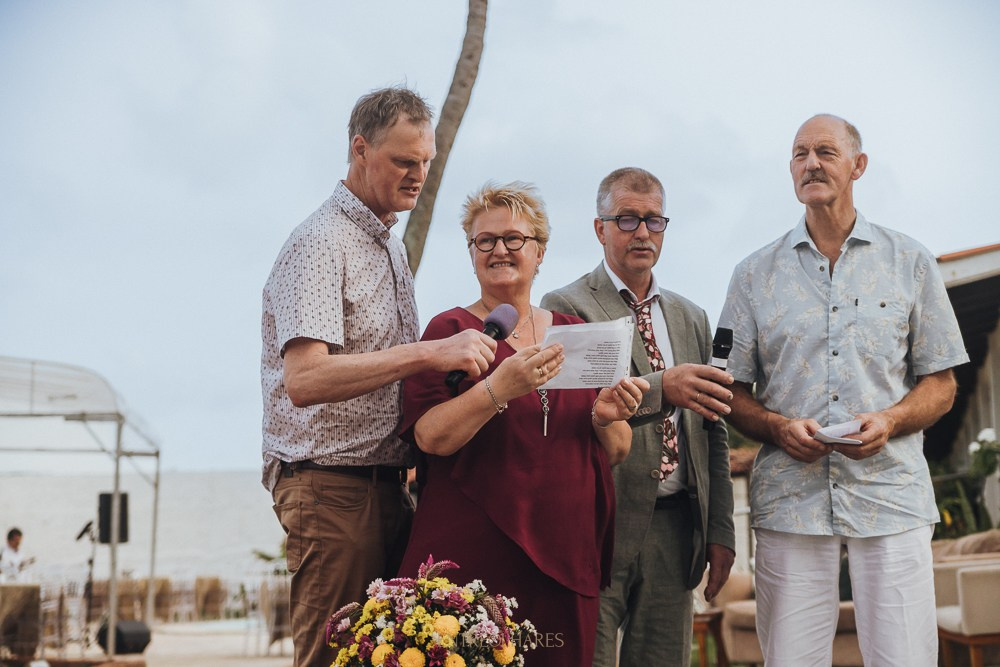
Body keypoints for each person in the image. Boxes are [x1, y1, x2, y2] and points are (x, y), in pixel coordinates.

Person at [719, 114, 969, 666]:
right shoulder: (752, 275)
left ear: (858, 165)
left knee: (904, 658)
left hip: (892, 498)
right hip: (790, 502)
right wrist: (778, 428)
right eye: (800, 153)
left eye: (826, 152)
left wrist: (893, 420)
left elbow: (942, 383)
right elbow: (730, 390)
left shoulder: (912, 262)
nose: (811, 163)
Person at [260, 86, 498, 667]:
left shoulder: (387, 245)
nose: (418, 175)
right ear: (359, 149)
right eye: (403, 161)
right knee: (331, 660)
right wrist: (431, 354)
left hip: (385, 488)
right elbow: (305, 379)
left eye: (426, 162)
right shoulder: (320, 243)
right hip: (332, 492)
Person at [397, 181, 649, 666]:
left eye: (514, 239)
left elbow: (617, 449)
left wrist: (606, 417)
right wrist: (500, 387)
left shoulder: (577, 335)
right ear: (471, 254)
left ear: (540, 252)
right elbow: (430, 437)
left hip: (566, 551)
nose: (499, 250)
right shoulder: (448, 332)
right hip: (471, 555)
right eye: (484, 240)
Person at [541, 167, 737, 666]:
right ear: (599, 228)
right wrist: (662, 388)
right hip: (599, 524)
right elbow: (577, 409)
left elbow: (713, 427)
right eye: (626, 220)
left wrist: (720, 532)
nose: (643, 232)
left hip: (677, 530)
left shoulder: (690, 315)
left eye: (654, 220)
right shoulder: (566, 306)